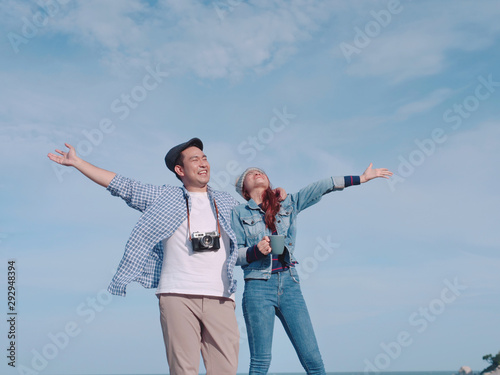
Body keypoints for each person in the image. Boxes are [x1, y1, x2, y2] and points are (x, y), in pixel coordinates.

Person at [48, 138, 250, 375]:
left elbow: (256, 221)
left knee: (226, 369)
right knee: (183, 370)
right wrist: (79, 163)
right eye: (195, 159)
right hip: (177, 294)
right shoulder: (164, 197)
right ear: (180, 169)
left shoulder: (227, 202)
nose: (203, 162)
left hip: (221, 296)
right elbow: (123, 185)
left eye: (204, 158)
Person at [231, 164, 393, 375]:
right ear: (244, 189)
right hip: (258, 288)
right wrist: (255, 251)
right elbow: (234, 255)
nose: (257, 172)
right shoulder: (238, 212)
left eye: (261, 171)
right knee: (261, 362)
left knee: (313, 359)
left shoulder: (288, 203)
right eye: (250, 174)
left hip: (290, 283)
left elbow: (321, 186)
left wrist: (360, 179)